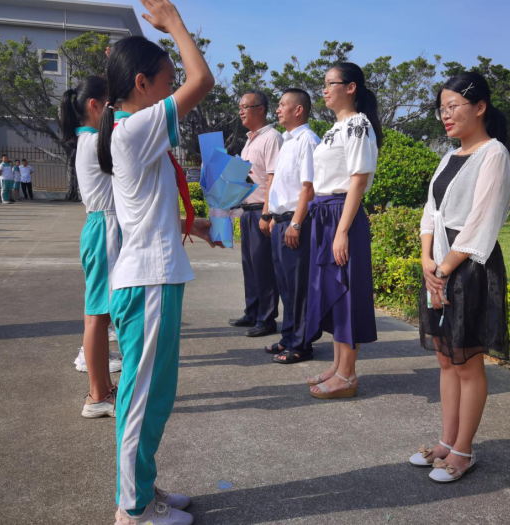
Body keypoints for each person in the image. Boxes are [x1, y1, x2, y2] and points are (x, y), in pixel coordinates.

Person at [97, 1, 215, 522]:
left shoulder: (133, 130)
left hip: (153, 277)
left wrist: (197, 224)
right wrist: (174, 25)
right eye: (168, 82)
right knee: (143, 399)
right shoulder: (136, 128)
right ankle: (133, 510)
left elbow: (147, 205)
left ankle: (141, 487)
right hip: (148, 281)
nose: (174, 90)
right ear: (142, 84)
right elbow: (203, 80)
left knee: (154, 396)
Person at [409, 72, 510, 483]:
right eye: (442, 109)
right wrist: (425, 260)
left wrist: (444, 269)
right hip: (437, 264)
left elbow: (482, 220)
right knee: (445, 359)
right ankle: (445, 442)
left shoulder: (494, 154)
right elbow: (431, 212)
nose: (446, 115)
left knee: (467, 362)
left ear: (480, 107)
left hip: (468, 268)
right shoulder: (449, 156)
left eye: (453, 107)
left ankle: (463, 451)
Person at [306, 63, 381, 399]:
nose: (324, 89)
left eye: (330, 83)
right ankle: (337, 366)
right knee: (332, 292)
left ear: (350, 88)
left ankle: (347, 375)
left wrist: (341, 231)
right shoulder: (335, 128)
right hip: (326, 214)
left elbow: (358, 180)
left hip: (341, 215)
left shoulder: (358, 125)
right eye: (323, 83)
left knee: (346, 292)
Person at [60, 74, 124, 419]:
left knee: (98, 314)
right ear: (94, 106)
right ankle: (98, 394)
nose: (117, 109)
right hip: (106, 229)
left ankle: (103, 390)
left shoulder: (89, 140)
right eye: (112, 103)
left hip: (102, 227)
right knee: (98, 316)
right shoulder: (97, 141)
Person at [266, 88, 321, 364]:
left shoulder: (307, 140)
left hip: (296, 221)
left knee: (299, 287)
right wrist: (274, 216)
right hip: (282, 221)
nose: (277, 110)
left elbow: (308, 187)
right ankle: (288, 337)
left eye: (282, 104)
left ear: (298, 110)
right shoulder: (287, 141)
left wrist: (296, 224)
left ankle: (301, 344)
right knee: (285, 285)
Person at [228, 90, 283, 337]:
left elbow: (273, 178)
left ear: (260, 109)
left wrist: (267, 214)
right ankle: (252, 312)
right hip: (247, 210)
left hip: (262, 209)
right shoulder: (249, 140)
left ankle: (266, 318)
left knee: (264, 267)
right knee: (250, 265)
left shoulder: (272, 138)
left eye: (245, 107)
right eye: (239, 107)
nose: (240, 112)